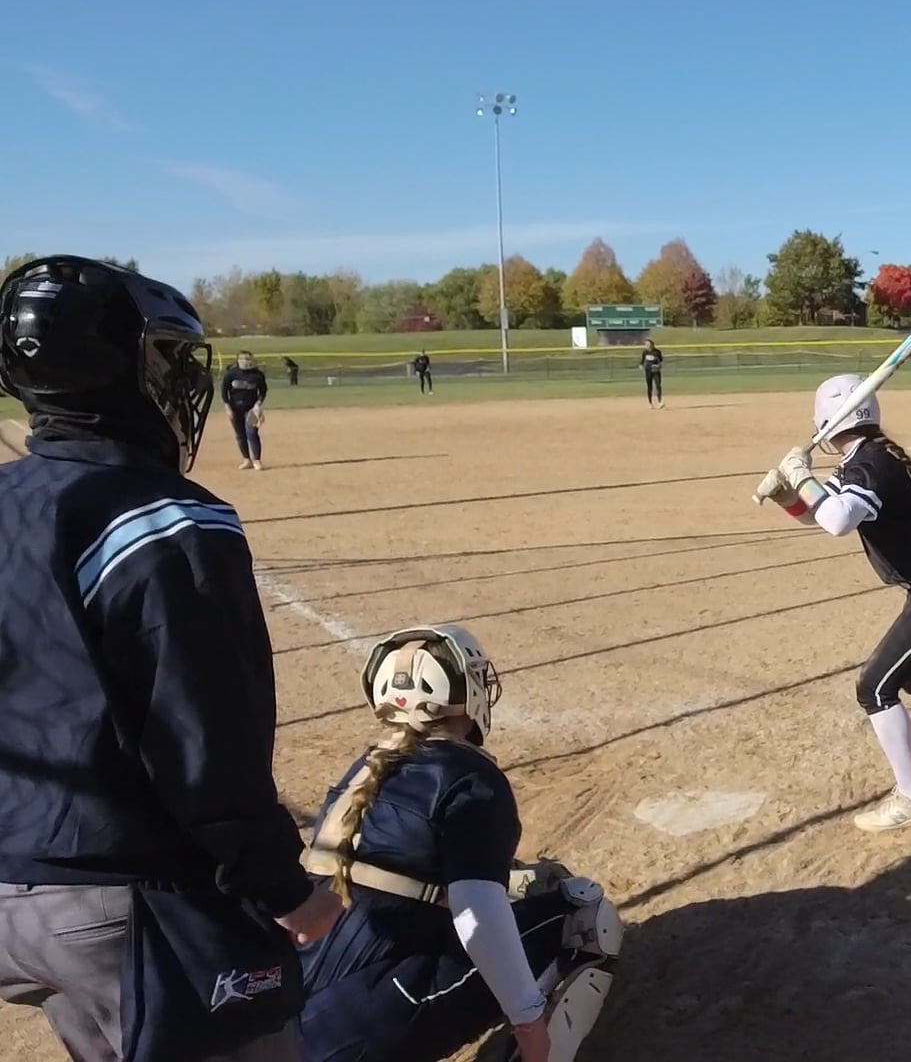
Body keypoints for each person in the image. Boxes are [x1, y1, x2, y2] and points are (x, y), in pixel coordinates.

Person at [0, 256, 340, 1062]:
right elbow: (203, 736)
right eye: (162, 356)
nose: (179, 377)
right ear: (113, 367)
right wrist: (282, 886)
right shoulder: (166, 518)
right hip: (125, 899)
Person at [297, 624, 621, 1062]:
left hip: (286, 1023)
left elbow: (403, 872)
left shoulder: (363, 771)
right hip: (364, 1028)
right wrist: (528, 1020)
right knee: (586, 916)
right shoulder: (471, 777)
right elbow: (476, 913)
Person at [753, 375, 911, 832]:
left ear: (826, 421)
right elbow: (823, 514)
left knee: (876, 687)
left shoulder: (870, 462)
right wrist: (788, 495)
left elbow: (839, 521)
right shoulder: (866, 457)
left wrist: (802, 476)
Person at [221, 349, 269, 470]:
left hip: (251, 409)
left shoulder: (257, 375)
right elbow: (224, 391)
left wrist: (258, 404)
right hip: (235, 408)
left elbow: (263, 391)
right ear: (237, 360)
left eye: (248, 358)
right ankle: (246, 460)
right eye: (242, 359)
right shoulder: (231, 374)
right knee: (240, 434)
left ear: (252, 360)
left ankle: (257, 460)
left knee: (252, 433)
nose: (245, 361)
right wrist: (227, 407)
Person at [641, 339, 664, 409]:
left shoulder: (657, 352)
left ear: (653, 345)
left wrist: (658, 366)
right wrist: (641, 365)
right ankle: (650, 403)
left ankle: (660, 402)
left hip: (656, 371)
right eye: (646, 345)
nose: (648, 346)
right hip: (648, 371)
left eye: (649, 344)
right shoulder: (645, 352)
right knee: (649, 387)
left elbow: (660, 361)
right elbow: (642, 361)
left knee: (658, 385)